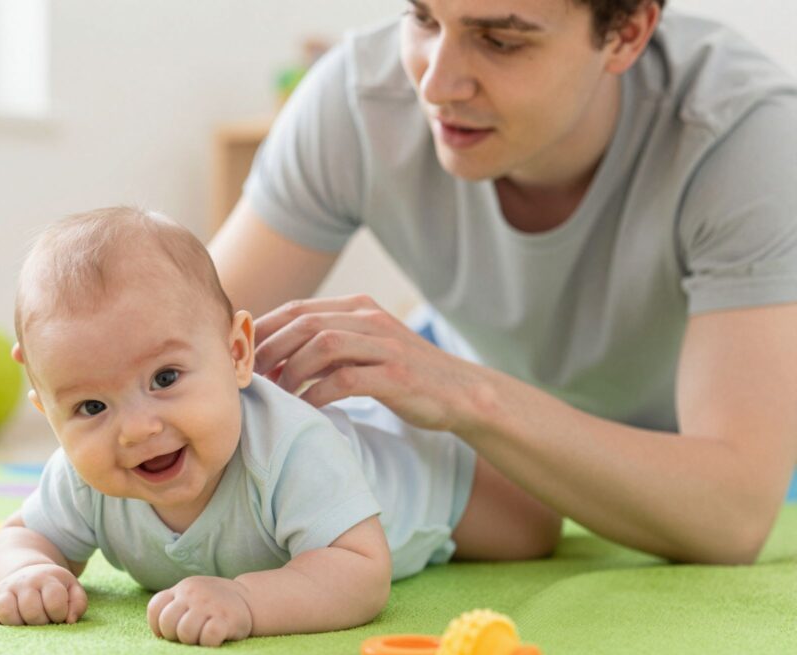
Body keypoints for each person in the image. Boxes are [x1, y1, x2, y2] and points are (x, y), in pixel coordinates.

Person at [209, 0, 797, 565]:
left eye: (500, 40)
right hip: (490, 449)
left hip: (700, 447)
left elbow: (733, 516)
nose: (437, 85)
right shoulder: (358, 97)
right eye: (423, 17)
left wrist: (465, 393)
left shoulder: (743, 134)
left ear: (627, 33)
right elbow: (187, 350)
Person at [0, 207, 557, 646]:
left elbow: (360, 572)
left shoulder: (290, 448)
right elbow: (23, 535)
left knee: (536, 530)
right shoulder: (80, 479)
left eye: (165, 378)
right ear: (46, 410)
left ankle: (491, 362)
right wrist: (27, 573)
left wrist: (246, 600)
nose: (135, 430)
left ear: (236, 353)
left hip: (430, 478)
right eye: (90, 409)